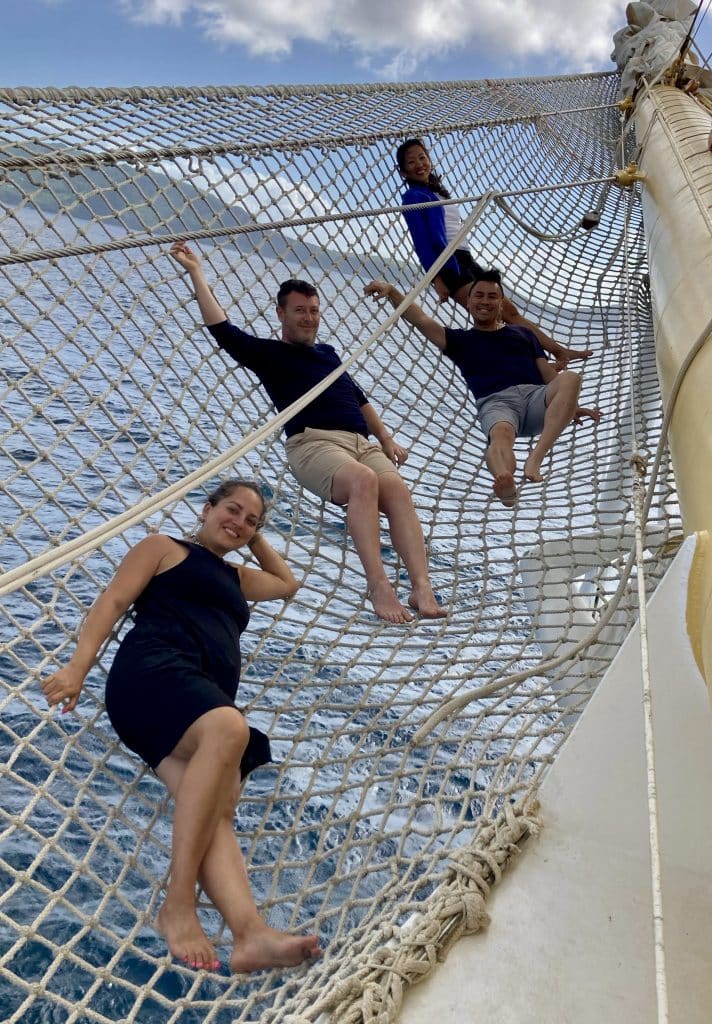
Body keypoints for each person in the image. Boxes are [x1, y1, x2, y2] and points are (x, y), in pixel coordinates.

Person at [40, 480, 322, 973]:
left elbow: (287, 583)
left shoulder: (238, 579)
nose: (237, 522)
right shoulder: (162, 548)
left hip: (195, 704)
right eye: (230, 510)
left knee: (217, 810)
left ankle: (249, 934)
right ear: (206, 507)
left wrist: (253, 535)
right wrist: (77, 669)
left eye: (250, 521)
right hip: (154, 676)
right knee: (231, 731)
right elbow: (111, 601)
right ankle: (178, 905)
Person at [170, 242, 446, 626]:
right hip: (312, 443)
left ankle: (421, 586)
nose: (308, 318)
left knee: (397, 488)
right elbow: (223, 331)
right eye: (300, 311)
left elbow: (358, 397)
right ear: (281, 313)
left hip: (359, 443)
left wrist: (385, 438)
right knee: (364, 481)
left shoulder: (329, 354)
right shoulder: (269, 353)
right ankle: (379, 586)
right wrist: (197, 273)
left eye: (314, 311)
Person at [364, 272, 601, 505]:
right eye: (478, 296)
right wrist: (393, 292)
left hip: (534, 398)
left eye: (492, 297)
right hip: (497, 403)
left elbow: (549, 375)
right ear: (468, 302)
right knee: (501, 434)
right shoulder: (459, 341)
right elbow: (421, 320)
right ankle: (506, 485)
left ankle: (536, 458)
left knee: (570, 377)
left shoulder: (524, 334)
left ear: (501, 304)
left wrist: (571, 407)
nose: (485, 302)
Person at [395, 137, 592, 368]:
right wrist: (437, 280)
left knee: (508, 311)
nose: (419, 164)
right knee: (494, 318)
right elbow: (422, 242)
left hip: (465, 258)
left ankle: (558, 352)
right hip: (448, 264)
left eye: (422, 157)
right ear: (404, 172)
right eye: (411, 162)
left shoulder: (437, 192)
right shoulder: (413, 197)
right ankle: (538, 365)